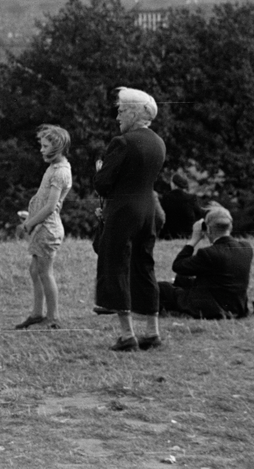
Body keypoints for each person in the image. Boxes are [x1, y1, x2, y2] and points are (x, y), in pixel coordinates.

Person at [93, 87, 167, 352]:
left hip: (124, 211)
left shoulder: (122, 143)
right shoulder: (158, 142)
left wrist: (101, 170)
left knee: (116, 266)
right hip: (148, 209)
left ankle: (127, 335)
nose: (118, 117)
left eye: (121, 111)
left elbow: (103, 184)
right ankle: (152, 331)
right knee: (144, 267)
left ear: (134, 112)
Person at [15, 125, 72, 329]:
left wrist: (29, 223)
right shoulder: (54, 168)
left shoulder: (60, 173)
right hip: (42, 226)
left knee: (45, 272)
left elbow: (50, 207)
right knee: (35, 270)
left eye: (45, 146)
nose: (41, 149)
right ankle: (37, 313)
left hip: (47, 228)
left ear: (58, 148)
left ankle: (53, 316)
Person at [159, 206, 253, 319]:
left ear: (208, 229)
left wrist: (193, 240)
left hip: (212, 309)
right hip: (238, 307)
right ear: (230, 226)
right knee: (182, 279)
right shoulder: (246, 247)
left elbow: (178, 266)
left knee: (162, 287)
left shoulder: (208, 253)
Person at [158, 172, 206, 240]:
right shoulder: (191, 198)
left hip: (169, 235)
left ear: (174, 184)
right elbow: (200, 214)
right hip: (188, 234)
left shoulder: (166, 198)